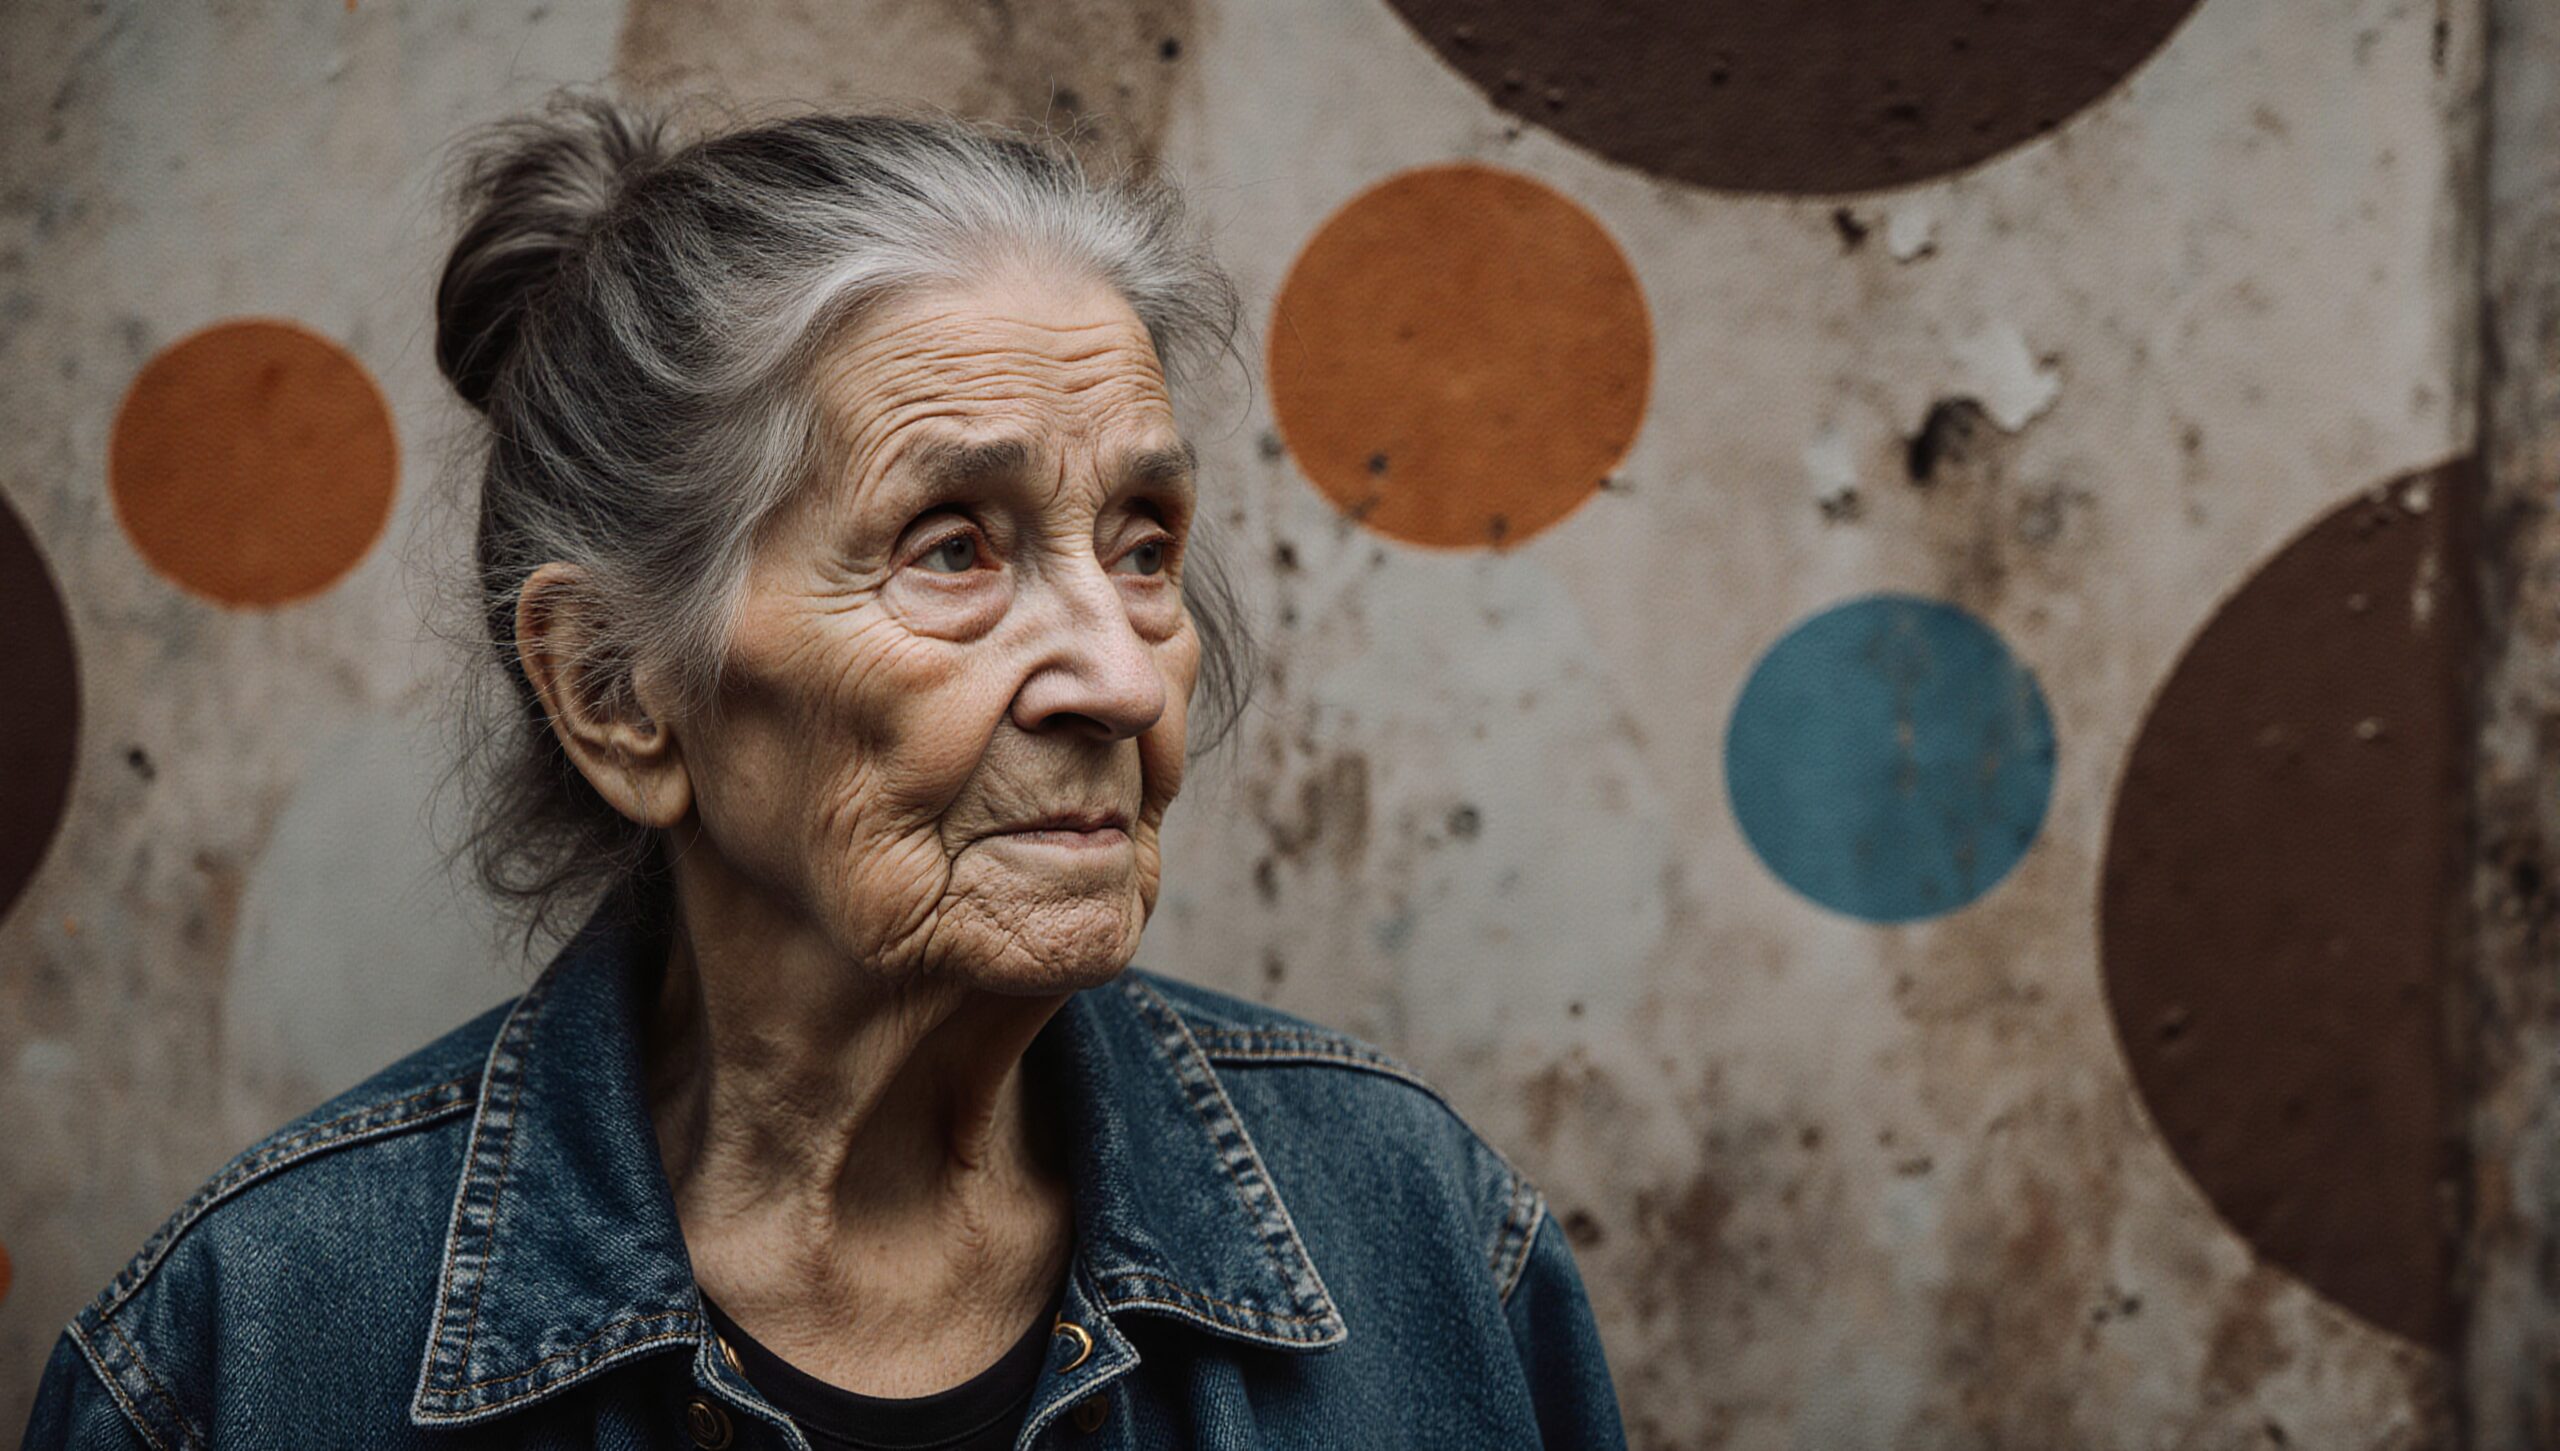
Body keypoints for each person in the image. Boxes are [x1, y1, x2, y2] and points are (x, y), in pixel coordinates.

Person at [21, 94, 1625, 1450]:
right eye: (951, 549)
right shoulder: (254, 1354)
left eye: (1144, 545)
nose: (1126, 676)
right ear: (617, 694)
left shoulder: (1418, 1239)